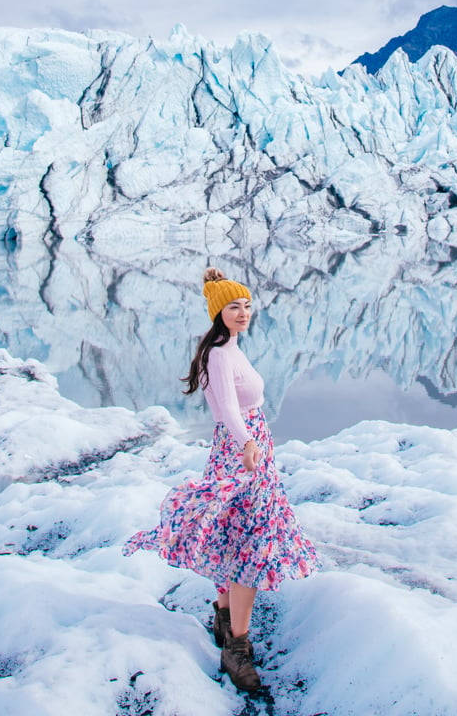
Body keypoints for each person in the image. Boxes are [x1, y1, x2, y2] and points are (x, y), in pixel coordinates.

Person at [123, 267, 317, 693]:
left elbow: (234, 401)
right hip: (241, 450)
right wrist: (248, 444)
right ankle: (237, 646)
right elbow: (228, 409)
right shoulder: (220, 354)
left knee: (233, 533)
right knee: (249, 542)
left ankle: (224, 617)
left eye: (246, 305)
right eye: (234, 306)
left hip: (245, 447)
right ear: (218, 313)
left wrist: (219, 285)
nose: (244, 312)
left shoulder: (228, 347)